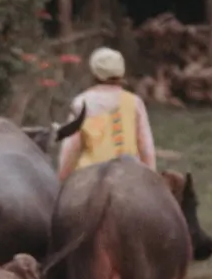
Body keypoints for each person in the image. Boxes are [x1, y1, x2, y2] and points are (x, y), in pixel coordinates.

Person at [55, 46, 156, 180]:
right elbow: (146, 147)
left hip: (89, 175)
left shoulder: (81, 102)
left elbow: (71, 149)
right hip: (130, 173)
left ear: (94, 72)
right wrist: (152, 179)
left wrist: (62, 178)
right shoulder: (134, 102)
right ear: (121, 72)